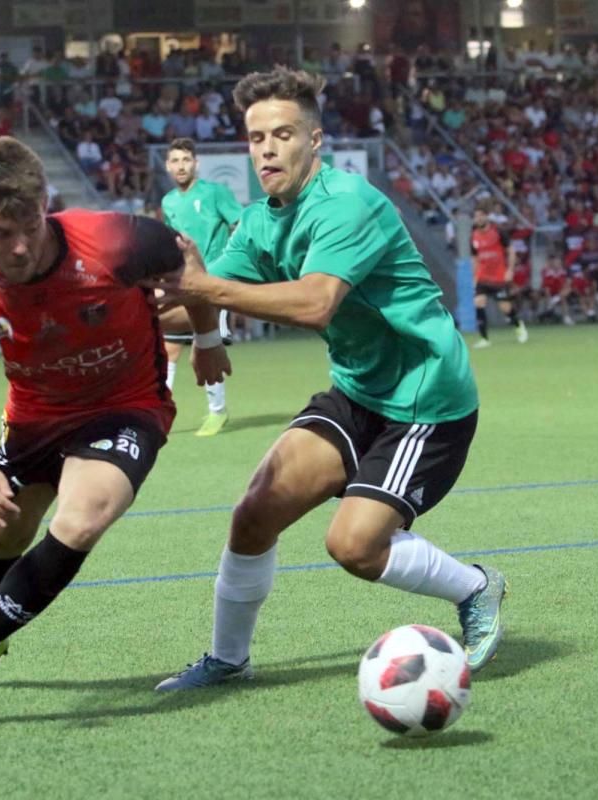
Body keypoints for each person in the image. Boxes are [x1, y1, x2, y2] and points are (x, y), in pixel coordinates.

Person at [150, 68, 506, 692]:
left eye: (282, 134)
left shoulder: (348, 202)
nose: (266, 149)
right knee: (254, 512)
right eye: (255, 137)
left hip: (425, 400)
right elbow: (196, 297)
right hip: (358, 390)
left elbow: (315, 303)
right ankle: (228, 660)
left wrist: (203, 292)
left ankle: (476, 587)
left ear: (315, 140)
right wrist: (126, 308)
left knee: (354, 547)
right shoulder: (262, 220)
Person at [0, 136, 229, 707]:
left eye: (30, 225)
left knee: (81, 519)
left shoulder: (117, 238)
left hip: (127, 404)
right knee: (4, 530)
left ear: (46, 202)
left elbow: (189, 272)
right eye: (1, 233)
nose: (21, 245)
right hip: (35, 417)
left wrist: (206, 340)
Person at [160, 137, 242, 436]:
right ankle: (160, 412)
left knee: (207, 343)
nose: (181, 166)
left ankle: (217, 412)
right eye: (175, 161)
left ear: (196, 163)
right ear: (168, 166)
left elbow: (240, 223)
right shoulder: (168, 201)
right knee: (167, 348)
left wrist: (229, 264)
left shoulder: (215, 193)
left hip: (211, 281)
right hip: (182, 281)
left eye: (186, 160)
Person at [470, 207, 526, 348]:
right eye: (476, 217)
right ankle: (484, 338)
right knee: (479, 303)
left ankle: (519, 325)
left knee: (505, 307)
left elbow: (511, 251)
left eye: (481, 216)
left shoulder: (498, 232)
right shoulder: (474, 235)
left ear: (486, 217)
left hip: (498, 277)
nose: (478, 219)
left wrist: (510, 270)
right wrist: (474, 276)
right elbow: (474, 258)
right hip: (482, 277)